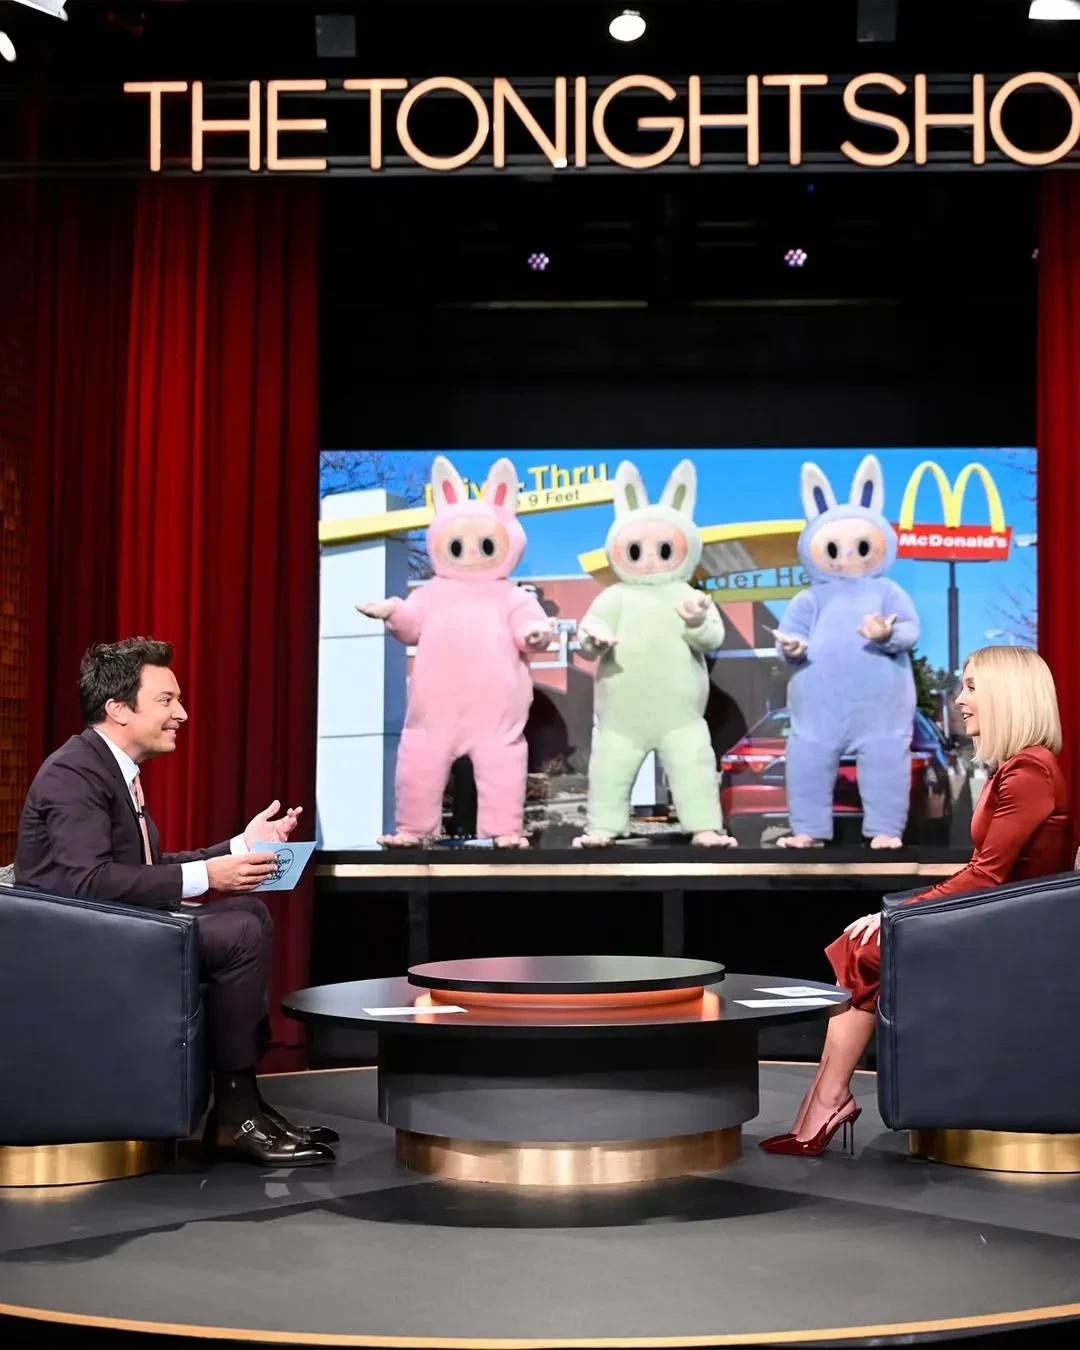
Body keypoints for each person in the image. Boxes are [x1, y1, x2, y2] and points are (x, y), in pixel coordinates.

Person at [15, 637, 338, 1168]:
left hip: (110, 930)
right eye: (166, 701)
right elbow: (86, 882)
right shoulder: (74, 774)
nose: (182, 714)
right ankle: (235, 1113)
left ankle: (242, 1103)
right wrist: (208, 875)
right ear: (118, 709)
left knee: (246, 913)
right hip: (72, 949)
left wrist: (240, 848)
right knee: (240, 928)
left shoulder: (108, 768)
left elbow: (142, 870)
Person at [761, 645, 1072, 1157]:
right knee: (860, 945)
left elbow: (987, 876)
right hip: (1003, 924)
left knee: (866, 950)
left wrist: (899, 917)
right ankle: (823, 1101)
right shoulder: (1019, 768)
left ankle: (826, 1102)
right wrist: (898, 916)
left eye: (972, 687)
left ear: (1008, 695)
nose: (960, 700)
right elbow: (986, 874)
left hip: (1016, 940)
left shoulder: (1029, 772)